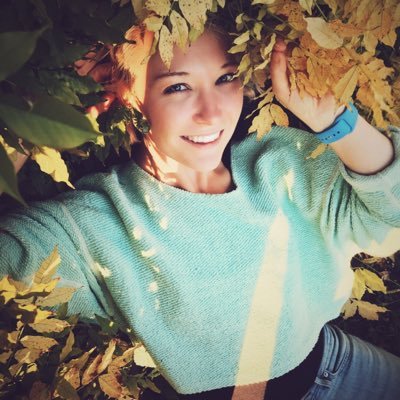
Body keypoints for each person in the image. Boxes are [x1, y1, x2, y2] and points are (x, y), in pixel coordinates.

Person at [1, 22, 400, 400]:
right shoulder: (92, 224)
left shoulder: (281, 159)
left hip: (340, 365)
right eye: (177, 86)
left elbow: (391, 221)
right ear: (125, 96)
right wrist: (33, 111)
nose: (212, 112)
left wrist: (336, 121)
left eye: (226, 77)